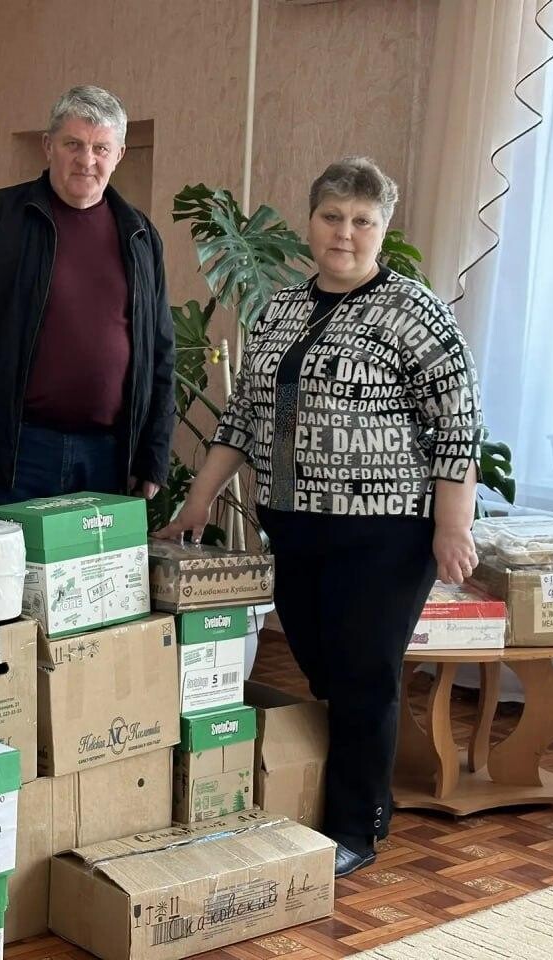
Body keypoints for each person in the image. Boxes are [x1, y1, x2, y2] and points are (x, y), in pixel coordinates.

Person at [156, 157, 482, 878]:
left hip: (388, 531)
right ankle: (339, 790)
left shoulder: (416, 311)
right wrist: (199, 498)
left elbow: (457, 424)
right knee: (321, 666)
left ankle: (357, 827)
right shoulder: (279, 310)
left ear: (382, 229)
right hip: (295, 525)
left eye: (363, 221)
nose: (345, 232)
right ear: (311, 221)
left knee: (364, 674)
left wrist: (452, 523)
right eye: (333, 217)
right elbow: (245, 415)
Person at [0, 84, 174, 511]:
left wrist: (154, 455)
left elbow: (160, 353)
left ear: (119, 155)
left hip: (107, 458)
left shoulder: (141, 235)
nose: (86, 160)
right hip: (9, 452)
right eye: (73, 144)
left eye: (100, 148)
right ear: (47, 146)